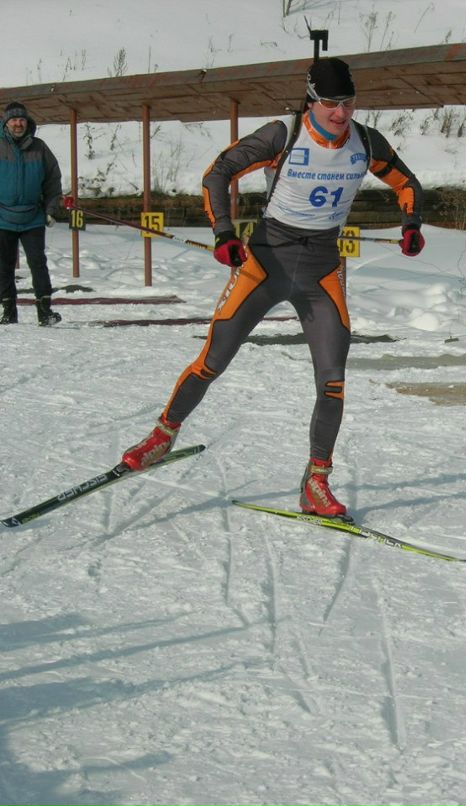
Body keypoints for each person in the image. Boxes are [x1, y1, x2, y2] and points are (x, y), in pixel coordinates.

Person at [117, 57, 425, 520]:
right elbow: (218, 173)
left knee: (333, 381)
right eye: (329, 104)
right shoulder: (283, 134)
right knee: (213, 360)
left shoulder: (365, 141)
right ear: (311, 100)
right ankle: (163, 434)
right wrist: (223, 232)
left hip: (322, 270)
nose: (340, 114)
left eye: (347, 103)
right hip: (265, 262)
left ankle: (316, 480)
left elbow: (407, 182)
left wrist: (411, 223)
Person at [0, 101, 64, 326]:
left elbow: (53, 181)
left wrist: (51, 209)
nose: (18, 123)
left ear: (27, 122)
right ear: (6, 122)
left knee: (38, 263)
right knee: (3, 266)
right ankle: (7, 311)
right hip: (3, 219)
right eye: (14, 120)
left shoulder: (40, 147)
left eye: (21, 119)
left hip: (33, 218)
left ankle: (45, 312)